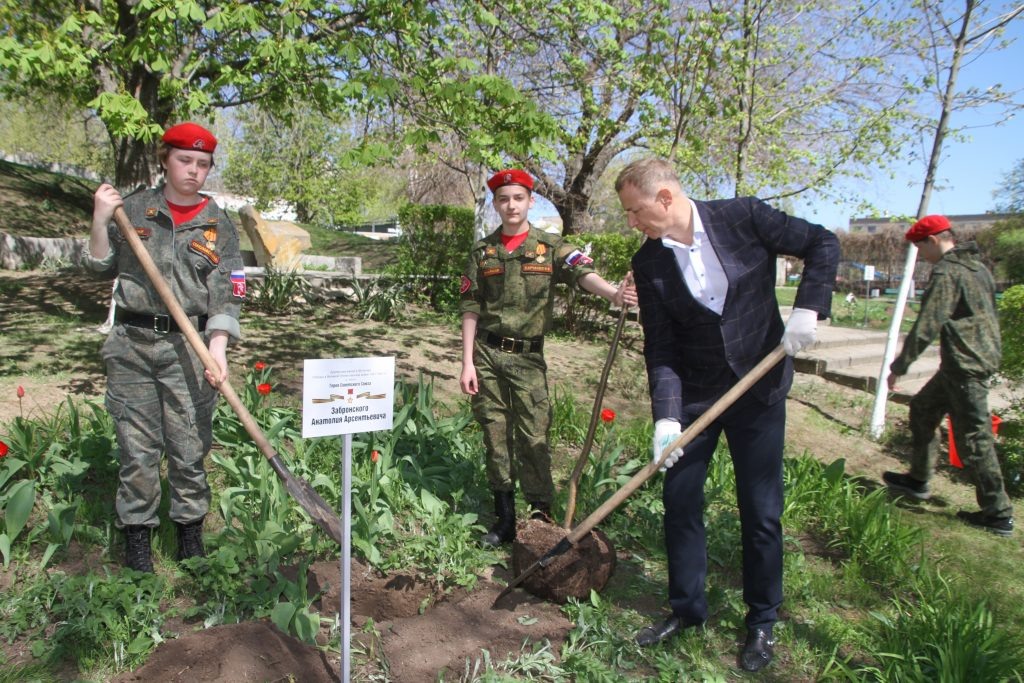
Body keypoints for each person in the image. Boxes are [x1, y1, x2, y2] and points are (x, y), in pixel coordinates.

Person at [614, 157, 838, 672]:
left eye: (635, 210)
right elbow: (661, 347)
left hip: (759, 386)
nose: (631, 221)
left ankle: (762, 619)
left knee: (761, 509)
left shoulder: (743, 217)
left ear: (665, 197)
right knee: (680, 501)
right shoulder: (649, 263)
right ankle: (687, 610)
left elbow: (821, 242)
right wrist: (666, 417)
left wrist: (808, 307)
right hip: (696, 396)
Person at [85, 122, 245, 572]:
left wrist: (218, 348)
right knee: (136, 450)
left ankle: (189, 536)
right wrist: (100, 218)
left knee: (189, 446)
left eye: (202, 164)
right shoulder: (134, 210)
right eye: (184, 160)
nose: (193, 170)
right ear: (165, 160)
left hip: (189, 350)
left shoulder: (218, 225)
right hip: (131, 347)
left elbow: (228, 292)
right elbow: (98, 266)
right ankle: (137, 538)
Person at [459, 168, 637, 546]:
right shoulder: (482, 252)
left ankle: (541, 515)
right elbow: (470, 306)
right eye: (503, 199)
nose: (511, 205)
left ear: (530, 202)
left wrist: (612, 294)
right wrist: (467, 362)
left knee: (534, 434)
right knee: (495, 434)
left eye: (518, 198)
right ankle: (505, 519)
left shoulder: (551, 247)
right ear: (495, 205)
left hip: (527, 359)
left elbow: (582, 273)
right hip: (487, 355)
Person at [883, 215, 1013, 537]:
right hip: (966, 362)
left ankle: (998, 513)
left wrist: (900, 366)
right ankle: (918, 479)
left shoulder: (948, 271)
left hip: (966, 365)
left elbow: (928, 323)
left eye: (920, 247)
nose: (920, 255)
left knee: (974, 438)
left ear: (933, 240)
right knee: (923, 409)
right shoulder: (977, 267)